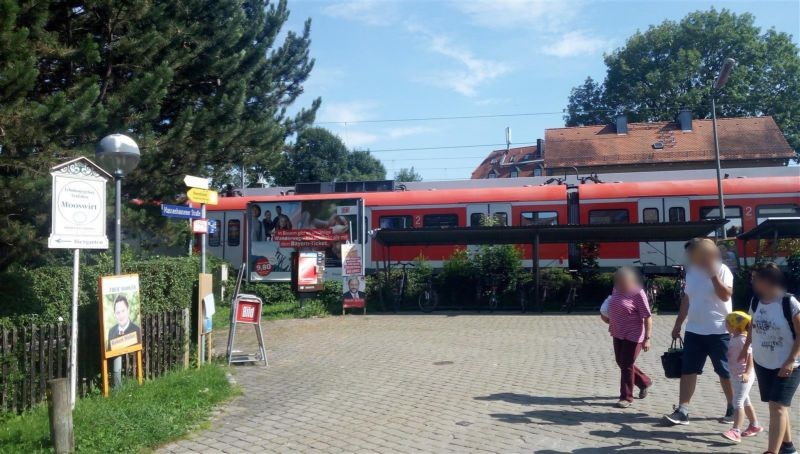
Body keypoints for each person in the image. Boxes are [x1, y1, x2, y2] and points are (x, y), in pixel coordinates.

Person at [665, 238, 734, 425]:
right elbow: (687, 299)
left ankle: (733, 406)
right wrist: (678, 324)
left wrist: (713, 275)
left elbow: (726, 295)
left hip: (719, 330)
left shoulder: (722, 269)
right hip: (694, 330)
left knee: (725, 372)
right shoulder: (692, 272)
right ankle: (683, 410)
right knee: (688, 370)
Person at [746, 262, 800, 454]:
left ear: (768, 280)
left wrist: (791, 360)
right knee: (778, 406)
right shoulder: (755, 301)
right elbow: (752, 326)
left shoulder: (788, 302)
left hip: (788, 364)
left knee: (777, 407)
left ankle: (772, 451)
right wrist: (745, 349)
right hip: (763, 362)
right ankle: (788, 447)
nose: (752, 281)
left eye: (755, 278)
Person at [601, 267, 653, 408]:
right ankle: (644, 381)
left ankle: (626, 397)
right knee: (621, 361)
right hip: (617, 331)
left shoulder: (638, 293)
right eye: (618, 282)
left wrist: (647, 338)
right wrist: (606, 317)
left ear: (631, 281)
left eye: (623, 282)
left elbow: (648, 317)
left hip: (634, 334)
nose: (620, 285)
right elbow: (613, 305)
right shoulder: (616, 289)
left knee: (626, 365)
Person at [721, 311, 762, 443]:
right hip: (735, 375)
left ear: (736, 326)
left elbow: (750, 357)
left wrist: (747, 372)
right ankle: (755, 425)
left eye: (727, 324)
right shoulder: (734, 338)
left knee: (737, 402)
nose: (726, 326)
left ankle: (736, 431)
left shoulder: (743, 340)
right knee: (745, 401)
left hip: (743, 376)